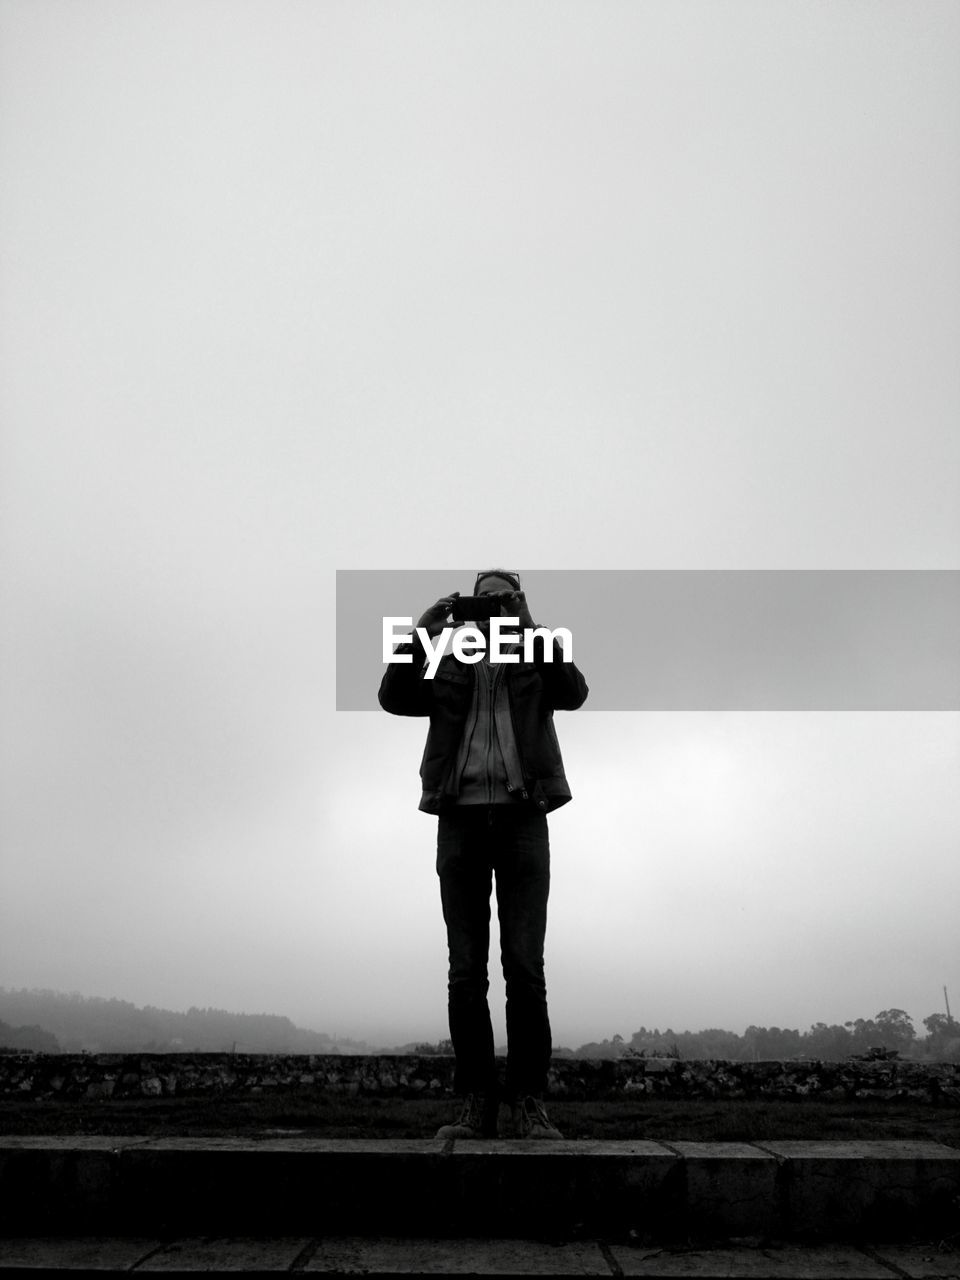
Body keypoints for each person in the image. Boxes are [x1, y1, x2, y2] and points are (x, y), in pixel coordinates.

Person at [378, 570, 588, 1139]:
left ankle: (528, 1102)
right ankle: (476, 1102)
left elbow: (575, 693)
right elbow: (393, 696)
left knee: (525, 969)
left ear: (519, 601)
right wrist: (425, 629)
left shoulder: (538, 651)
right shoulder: (446, 660)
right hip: (461, 818)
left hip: (523, 818)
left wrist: (528, 628)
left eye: (504, 597)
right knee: (465, 972)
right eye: (485, 599)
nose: (492, 609)